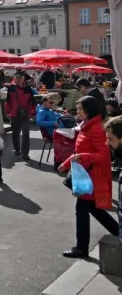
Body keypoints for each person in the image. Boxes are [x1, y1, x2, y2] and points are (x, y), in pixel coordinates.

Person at [60, 96, 119, 257]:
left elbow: (103, 155)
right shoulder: (86, 125)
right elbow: (79, 151)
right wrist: (66, 163)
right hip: (87, 174)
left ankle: (81, 248)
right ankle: (117, 232)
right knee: (94, 208)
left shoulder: (95, 128)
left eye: (80, 109)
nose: (78, 112)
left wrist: (82, 157)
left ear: (89, 110)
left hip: (92, 176)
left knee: (82, 210)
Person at [5, 71, 37, 161]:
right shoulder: (11, 88)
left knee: (26, 134)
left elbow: (32, 102)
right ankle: (17, 149)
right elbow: (8, 101)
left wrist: (32, 112)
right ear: (14, 78)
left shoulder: (28, 88)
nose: (18, 79)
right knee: (15, 133)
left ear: (23, 78)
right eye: (17, 77)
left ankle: (25, 153)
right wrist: (7, 112)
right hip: (14, 114)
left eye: (20, 77)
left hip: (26, 114)